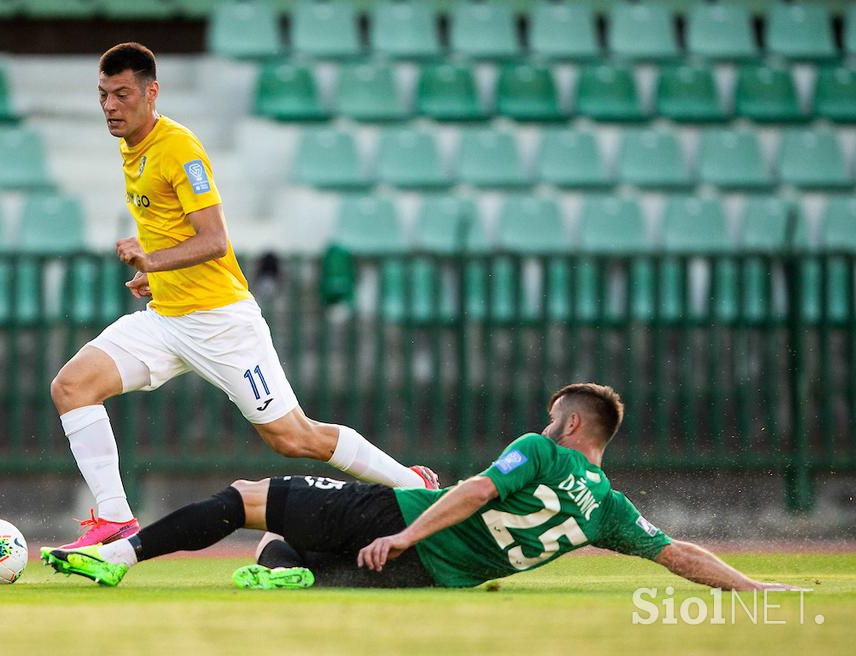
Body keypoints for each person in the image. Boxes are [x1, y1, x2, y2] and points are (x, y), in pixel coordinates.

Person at [50, 42, 437, 550]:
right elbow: (173, 230)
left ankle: (414, 485)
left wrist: (152, 260)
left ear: (152, 92)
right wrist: (158, 276)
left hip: (221, 323)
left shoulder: (178, 148)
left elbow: (215, 240)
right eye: (103, 95)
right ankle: (117, 520)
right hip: (167, 318)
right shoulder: (131, 146)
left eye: (122, 94)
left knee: (293, 437)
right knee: (72, 387)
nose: (110, 106)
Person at [41, 383, 800, 592]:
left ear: (570, 423)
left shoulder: (540, 448)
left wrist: (406, 525)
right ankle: (291, 570)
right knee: (287, 552)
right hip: (429, 582)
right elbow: (677, 555)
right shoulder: (611, 511)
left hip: (396, 522)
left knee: (245, 497)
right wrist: (751, 584)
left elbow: (472, 492)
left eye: (550, 414)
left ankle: (122, 557)